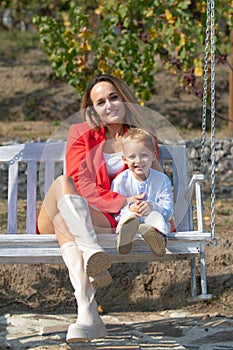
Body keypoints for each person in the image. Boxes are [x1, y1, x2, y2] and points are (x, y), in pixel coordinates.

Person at [37, 74, 161, 343]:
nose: (109, 105)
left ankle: (87, 313)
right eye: (100, 101)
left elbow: (156, 179)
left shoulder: (143, 135)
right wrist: (121, 200)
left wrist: (140, 205)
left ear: (124, 98)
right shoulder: (81, 133)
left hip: (103, 219)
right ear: (93, 108)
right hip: (75, 208)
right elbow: (80, 183)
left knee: (64, 222)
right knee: (62, 183)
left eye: (113, 97)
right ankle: (93, 251)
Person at [111, 128, 173, 256]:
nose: (138, 161)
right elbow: (115, 211)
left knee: (157, 217)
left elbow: (168, 209)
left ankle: (158, 239)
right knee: (127, 218)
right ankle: (124, 240)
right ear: (124, 159)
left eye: (144, 155)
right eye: (132, 157)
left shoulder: (161, 179)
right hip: (131, 219)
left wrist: (153, 207)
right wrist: (129, 208)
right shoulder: (120, 181)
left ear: (153, 156)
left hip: (152, 220)